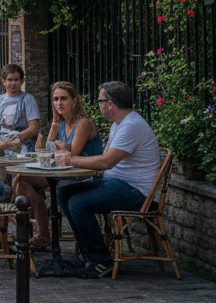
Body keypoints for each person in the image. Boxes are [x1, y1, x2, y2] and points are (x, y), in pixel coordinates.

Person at [57, 80, 160, 278]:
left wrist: (70, 159)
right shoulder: (119, 124)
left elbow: (106, 162)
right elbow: (105, 163)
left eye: (100, 101)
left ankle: (100, 260)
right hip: (117, 184)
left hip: (137, 192)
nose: (99, 105)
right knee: (64, 193)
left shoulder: (131, 125)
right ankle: (88, 255)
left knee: (78, 203)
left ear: (110, 104)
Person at [12, 81, 102, 249]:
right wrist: (53, 129)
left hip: (85, 175)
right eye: (55, 99)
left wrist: (56, 143)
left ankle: (27, 227)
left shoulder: (83, 124)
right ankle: (42, 232)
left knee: (20, 180)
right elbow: (46, 150)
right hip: (63, 171)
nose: (59, 103)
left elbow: (72, 152)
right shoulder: (61, 124)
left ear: (74, 100)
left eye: (63, 99)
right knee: (20, 179)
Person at [0, 64, 41, 152]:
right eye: (10, 80)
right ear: (3, 81)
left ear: (22, 81)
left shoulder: (27, 99)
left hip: (22, 148)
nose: (13, 83)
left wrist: (14, 138)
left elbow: (34, 128)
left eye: (16, 80)